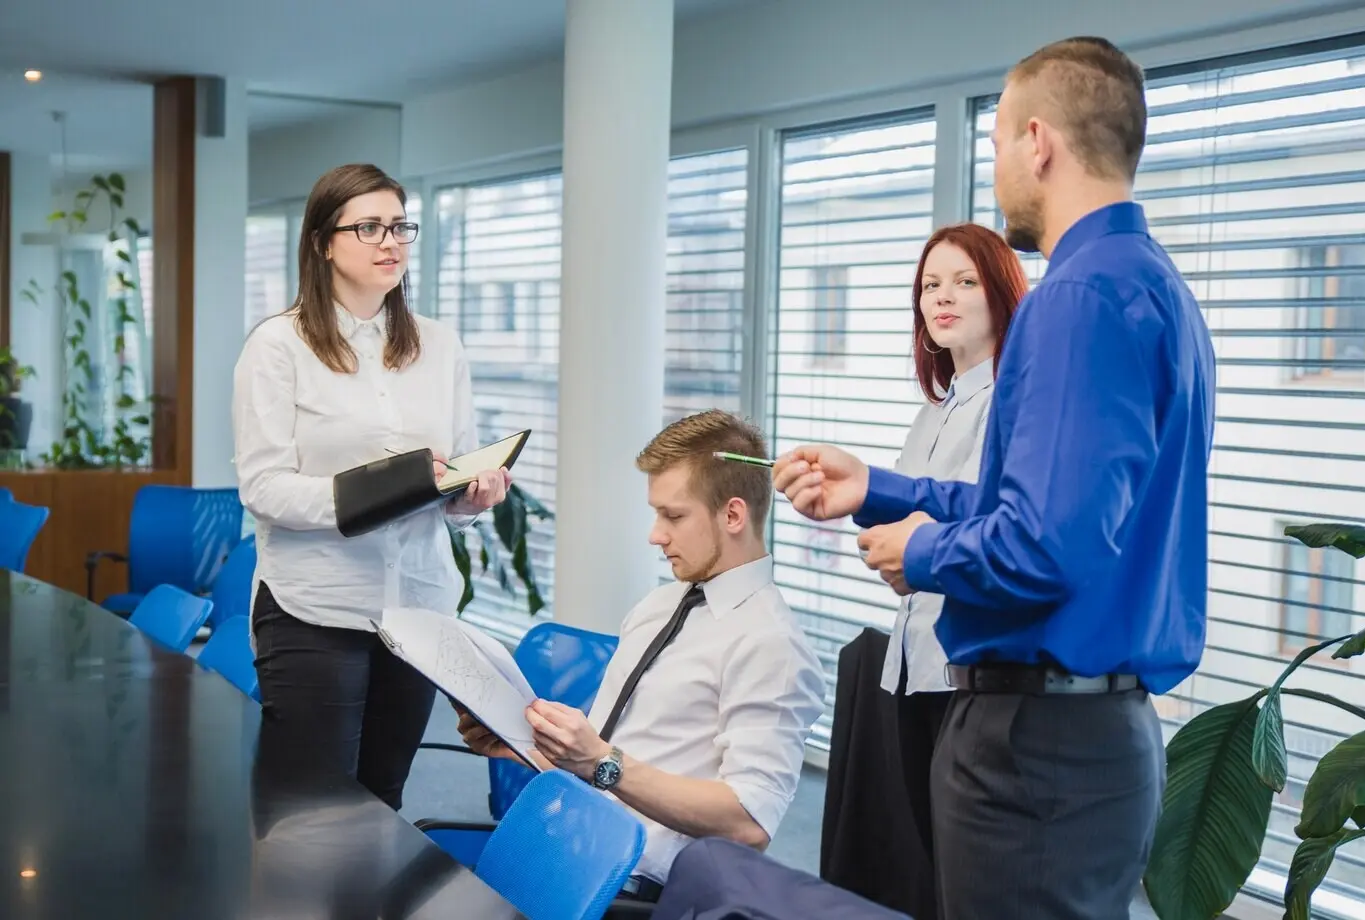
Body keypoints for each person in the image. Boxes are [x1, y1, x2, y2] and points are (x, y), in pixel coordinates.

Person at [773, 36, 1216, 920]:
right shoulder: (1154, 288)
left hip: (1036, 749)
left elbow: (1042, 547)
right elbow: (1047, 510)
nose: (998, 167)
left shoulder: (1077, 297)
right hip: (1090, 740)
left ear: (1037, 142)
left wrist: (922, 553)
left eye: (998, 141)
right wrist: (881, 490)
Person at [456, 409, 826, 912]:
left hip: (624, 891)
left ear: (733, 515)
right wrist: (517, 745)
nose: (656, 535)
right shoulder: (660, 605)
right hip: (557, 848)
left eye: (673, 516)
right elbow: (607, 758)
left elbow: (748, 822)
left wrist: (601, 762)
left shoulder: (771, 646)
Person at [232, 163, 511, 811]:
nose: (390, 242)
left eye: (399, 226)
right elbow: (264, 488)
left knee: (383, 801)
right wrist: (383, 491)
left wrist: (468, 498)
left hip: (418, 606)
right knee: (309, 810)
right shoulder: (278, 346)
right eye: (368, 228)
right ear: (323, 243)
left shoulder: (440, 346)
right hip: (315, 607)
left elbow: (453, 474)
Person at [884, 223, 1025, 878]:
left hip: (969, 673)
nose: (942, 297)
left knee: (971, 872)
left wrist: (912, 536)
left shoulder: (1012, 404)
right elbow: (908, 520)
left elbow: (985, 527)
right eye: (930, 285)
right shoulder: (934, 412)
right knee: (930, 861)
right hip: (913, 664)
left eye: (965, 282)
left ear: (1002, 294)